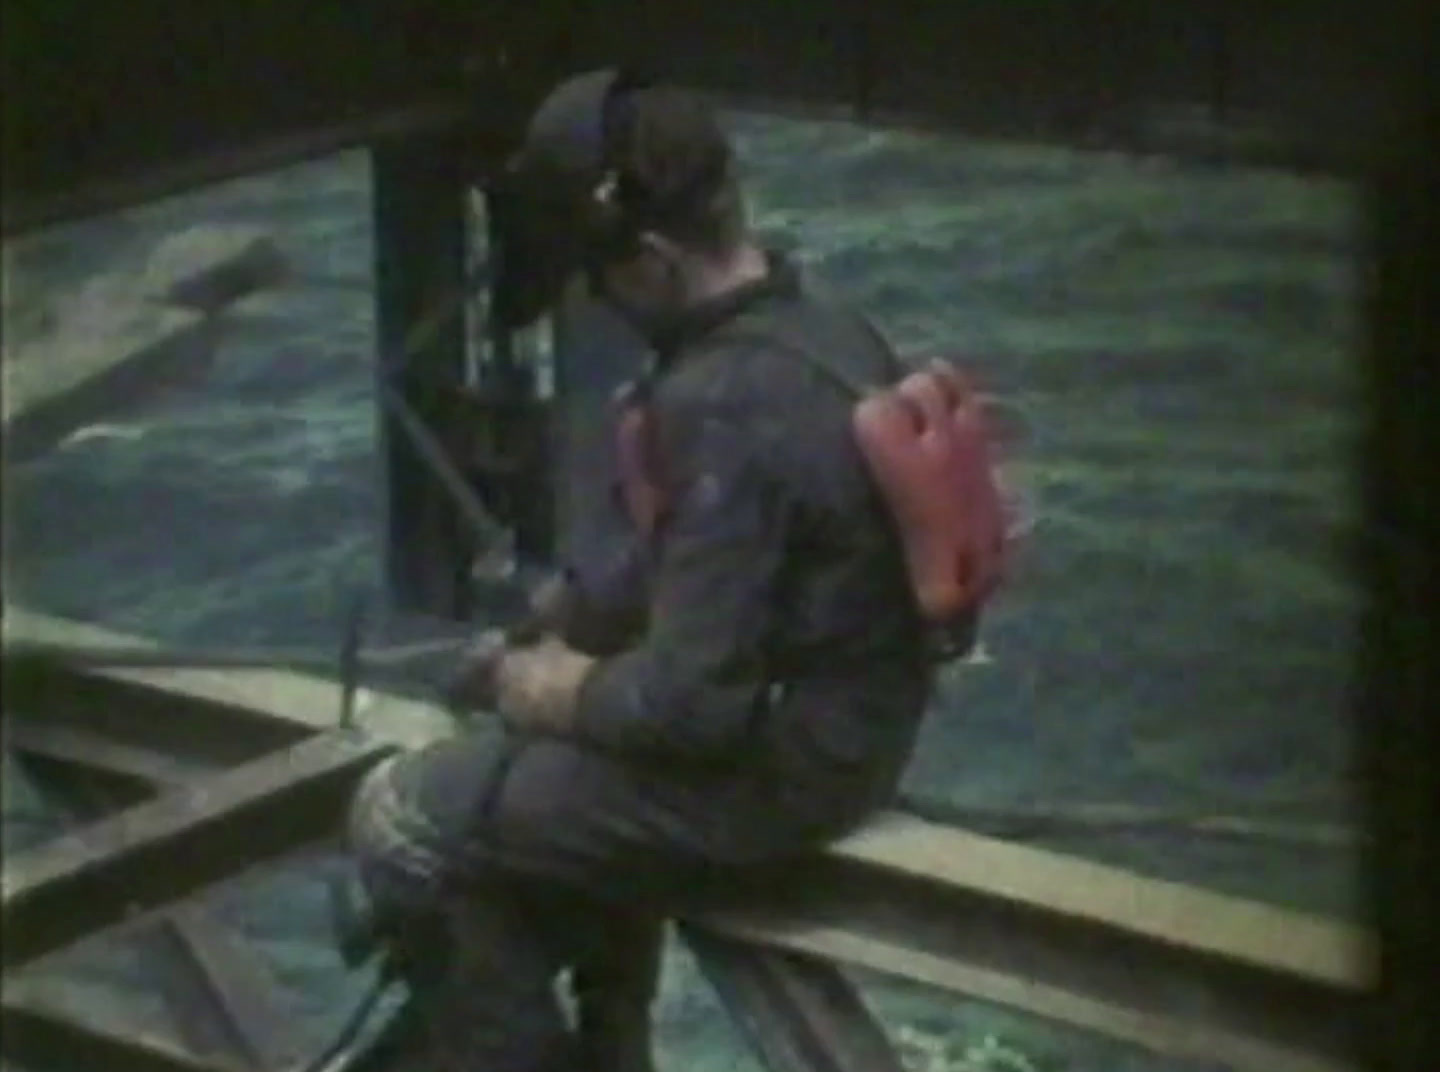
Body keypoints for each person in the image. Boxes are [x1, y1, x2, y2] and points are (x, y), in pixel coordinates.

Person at [345, 68, 936, 1072]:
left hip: (776, 773)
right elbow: (692, 564)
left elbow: (686, 711)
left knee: (407, 816)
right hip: (851, 723)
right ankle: (613, 1045)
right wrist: (556, 619)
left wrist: (551, 688)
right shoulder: (818, 326)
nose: (599, 300)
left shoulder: (720, 404)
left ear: (655, 261)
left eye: (602, 278)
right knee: (517, 806)